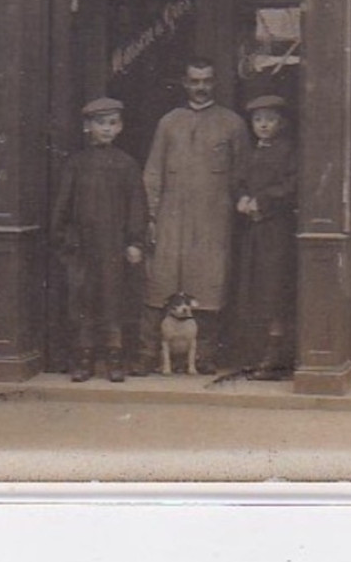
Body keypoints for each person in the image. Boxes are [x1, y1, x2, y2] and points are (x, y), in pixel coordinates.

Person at [140, 58, 249, 374]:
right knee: (160, 282)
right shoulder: (169, 122)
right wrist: (150, 216)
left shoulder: (232, 123)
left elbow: (243, 174)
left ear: (215, 83)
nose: (201, 87)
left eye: (207, 81)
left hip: (213, 219)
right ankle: (149, 353)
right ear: (185, 83)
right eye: (195, 81)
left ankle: (204, 355)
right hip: (171, 217)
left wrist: (236, 210)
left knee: (209, 284)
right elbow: (153, 172)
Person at [50, 97, 149, 383]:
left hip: (114, 248)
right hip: (82, 248)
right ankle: (84, 359)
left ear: (121, 127)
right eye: (100, 123)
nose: (107, 129)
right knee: (83, 303)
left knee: (113, 302)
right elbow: (62, 208)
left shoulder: (127, 165)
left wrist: (135, 241)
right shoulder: (76, 165)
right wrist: (65, 244)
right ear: (87, 127)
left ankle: (115, 359)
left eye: (113, 123)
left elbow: (137, 207)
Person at [232, 94, 298, 379]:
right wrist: (242, 197)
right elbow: (238, 181)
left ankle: (276, 355)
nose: (263, 125)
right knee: (253, 289)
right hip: (253, 231)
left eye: (270, 120)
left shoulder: (288, 151)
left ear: (280, 123)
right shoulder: (251, 152)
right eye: (258, 120)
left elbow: (291, 186)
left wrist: (263, 201)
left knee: (273, 291)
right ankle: (256, 352)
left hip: (276, 231)